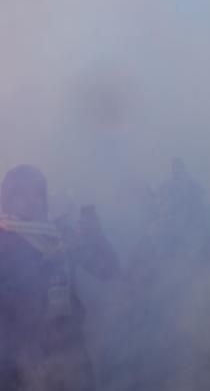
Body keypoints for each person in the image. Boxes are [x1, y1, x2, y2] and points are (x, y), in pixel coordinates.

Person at [0, 164, 119, 390]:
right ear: (8, 199)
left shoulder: (58, 235)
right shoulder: (3, 242)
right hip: (20, 361)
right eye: (22, 194)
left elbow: (108, 270)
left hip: (69, 354)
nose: (32, 200)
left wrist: (96, 237)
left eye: (37, 193)